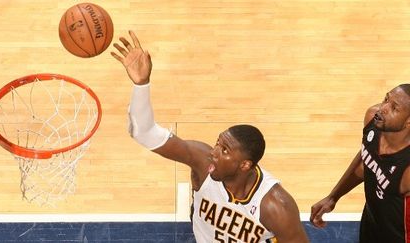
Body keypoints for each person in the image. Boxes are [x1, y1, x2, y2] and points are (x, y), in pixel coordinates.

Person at [110, 30, 309, 243]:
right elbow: (145, 133)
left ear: (244, 165)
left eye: (224, 150)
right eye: (217, 144)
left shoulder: (275, 206)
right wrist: (141, 84)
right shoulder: (203, 162)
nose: (214, 153)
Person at [310, 84, 410, 243]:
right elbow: (366, 158)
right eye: (386, 99)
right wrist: (333, 196)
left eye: (394, 108)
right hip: (372, 223)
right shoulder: (372, 118)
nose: (382, 108)